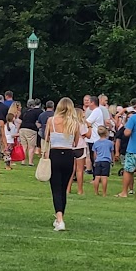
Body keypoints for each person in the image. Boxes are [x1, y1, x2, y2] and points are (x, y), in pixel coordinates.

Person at [44, 97, 84, 231]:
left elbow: (47, 137)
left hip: (55, 154)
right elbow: (75, 142)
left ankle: (59, 219)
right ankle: (60, 217)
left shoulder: (51, 121)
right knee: (63, 189)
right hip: (68, 156)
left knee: (55, 188)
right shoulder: (74, 123)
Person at [88, 124, 115, 196]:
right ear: (106, 133)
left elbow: (95, 154)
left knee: (97, 177)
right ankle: (104, 193)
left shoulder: (96, 143)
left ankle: (96, 192)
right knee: (104, 177)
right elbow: (111, 152)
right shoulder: (110, 143)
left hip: (98, 161)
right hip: (106, 161)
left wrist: (95, 161)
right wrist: (113, 160)